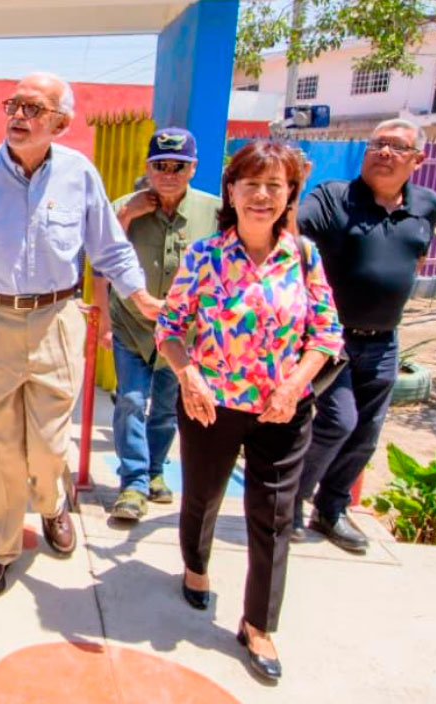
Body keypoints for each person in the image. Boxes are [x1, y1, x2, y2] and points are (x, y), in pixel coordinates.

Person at [0, 73, 160, 599]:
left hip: (56, 320)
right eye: (14, 104)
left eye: (34, 108)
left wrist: (140, 297)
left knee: (48, 446)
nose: (19, 115)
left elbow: (109, 248)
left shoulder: (79, 174)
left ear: (61, 123)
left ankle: (51, 502)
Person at [155, 140, 343, 681]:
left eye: (275, 185)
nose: (262, 195)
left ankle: (258, 624)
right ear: (231, 191)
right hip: (211, 406)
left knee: (274, 516)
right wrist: (189, 376)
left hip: (284, 413)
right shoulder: (204, 255)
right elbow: (169, 328)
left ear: (289, 195)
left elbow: (327, 334)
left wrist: (293, 388)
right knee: (204, 496)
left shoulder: (304, 257)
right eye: (251, 184)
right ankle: (195, 566)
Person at [295, 119, 436, 554]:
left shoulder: (427, 205)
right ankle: (288, 503)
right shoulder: (333, 198)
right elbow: (289, 239)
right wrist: (293, 191)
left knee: (367, 434)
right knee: (339, 421)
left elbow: (417, 255)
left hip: (383, 340)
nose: (383, 152)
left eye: (397, 147)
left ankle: (331, 509)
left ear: (418, 159)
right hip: (330, 340)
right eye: (377, 144)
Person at [90, 127, 220, 521]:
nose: (168, 173)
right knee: (130, 400)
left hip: (183, 333)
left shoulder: (214, 212)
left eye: (177, 166)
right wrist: (104, 322)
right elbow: (101, 265)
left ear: (192, 169)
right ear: (147, 167)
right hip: (131, 325)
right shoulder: (122, 206)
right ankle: (132, 483)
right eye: (159, 165)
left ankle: (155, 472)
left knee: (165, 408)